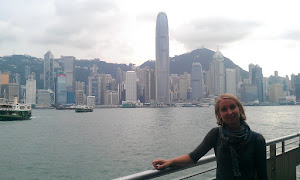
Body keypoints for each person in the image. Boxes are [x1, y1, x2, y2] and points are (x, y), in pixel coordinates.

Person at [152, 93, 268, 179]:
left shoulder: (257, 140)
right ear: (219, 115)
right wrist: (170, 162)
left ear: (240, 109)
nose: (229, 112)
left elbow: (263, 175)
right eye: (224, 109)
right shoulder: (216, 134)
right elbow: (193, 157)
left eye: (232, 107)